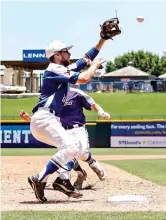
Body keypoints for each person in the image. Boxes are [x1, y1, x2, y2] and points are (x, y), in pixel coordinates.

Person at [28, 38, 108, 202]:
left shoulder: (60, 69)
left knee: (74, 147)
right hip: (44, 118)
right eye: (66, 51)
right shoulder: (54, 69)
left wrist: (102, 39)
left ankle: (60, 180)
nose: (69, 53)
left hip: (46, 120)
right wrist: (94, 67)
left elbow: (85, 59)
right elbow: (84, 78)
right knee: (72, 146)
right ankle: (42, 178)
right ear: (57, 55)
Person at [20, 89, 110, 190]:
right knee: (67, 154)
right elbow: (48, 116)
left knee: (81, 153)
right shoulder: (52, 96)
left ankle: (92, 163)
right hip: (61, 130)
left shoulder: (76, 93)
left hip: (77, 128)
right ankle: (79, 174)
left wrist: (101, 112)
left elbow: (92, 104)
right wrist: (31, 119)